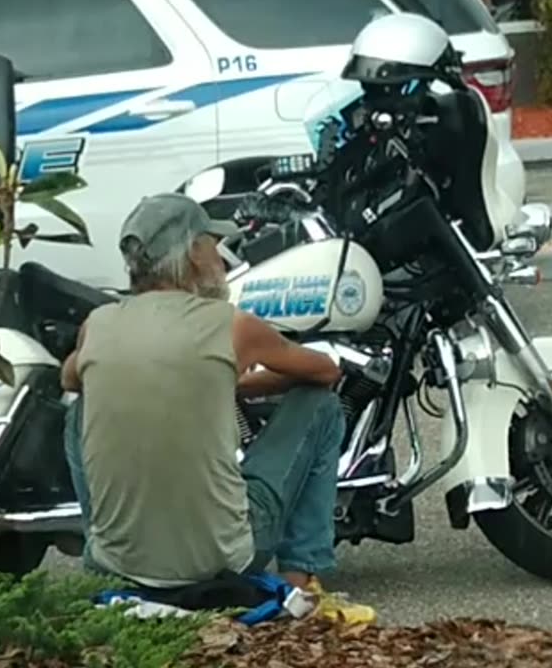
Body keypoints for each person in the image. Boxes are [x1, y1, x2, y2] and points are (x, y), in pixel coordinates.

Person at [59, 192, 376, 623]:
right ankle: (301, 581)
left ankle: (109, 546)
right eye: (212, 244)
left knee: (79, 412)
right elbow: (323, 373)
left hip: (118, 563)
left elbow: (70, 379)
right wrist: (243, 383)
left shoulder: (97, 325)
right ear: (192, 254)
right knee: (319, 407)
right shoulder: (232, 326)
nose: (219, 256)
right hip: (224, 559)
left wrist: (217, 382)